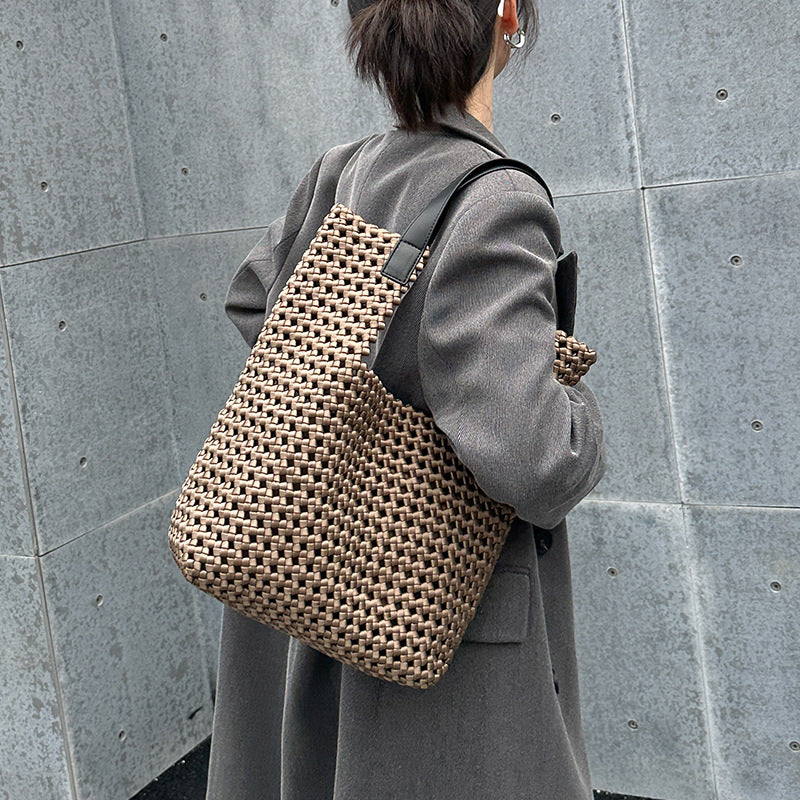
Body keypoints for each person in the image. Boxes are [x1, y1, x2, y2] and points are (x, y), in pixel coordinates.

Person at [204, 0, 606, 798]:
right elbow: (533, 456)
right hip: (441, 632)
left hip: (309, 585)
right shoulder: (496, 200)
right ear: (508, 15)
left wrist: (349, 416)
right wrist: (580, 413)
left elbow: (256, 299)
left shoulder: (343, 169)